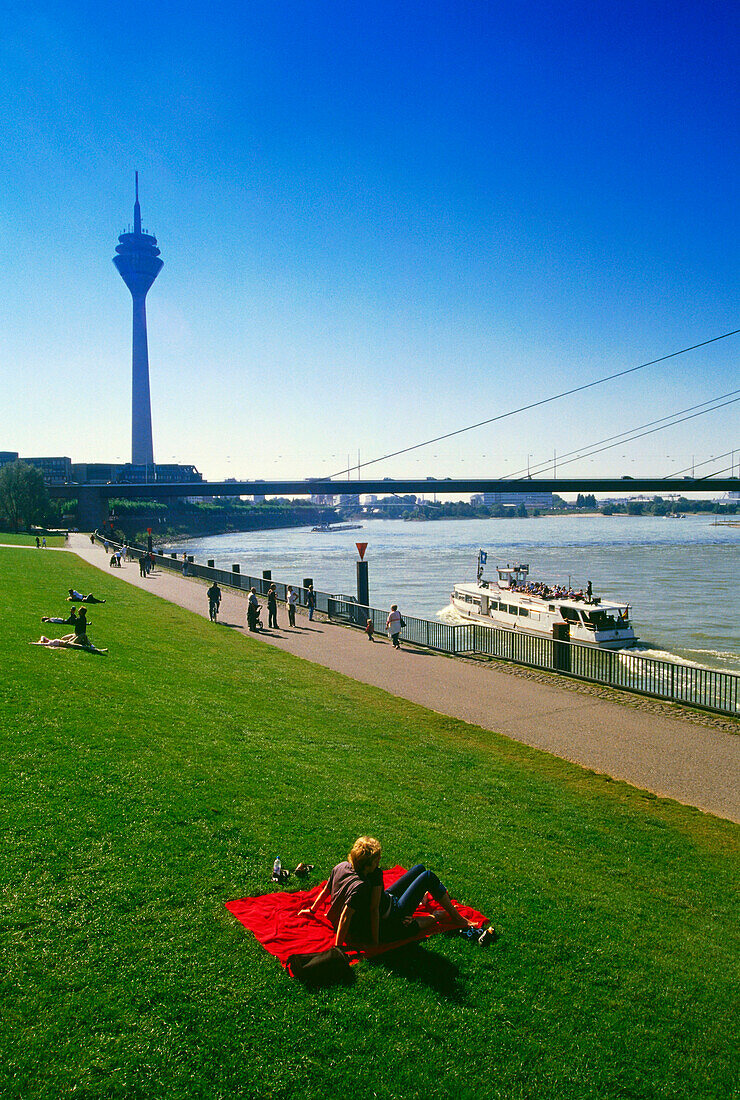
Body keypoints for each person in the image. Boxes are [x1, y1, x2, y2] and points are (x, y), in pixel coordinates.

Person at [299, 836, 478, 948]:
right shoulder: (361, 887)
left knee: (419, 868)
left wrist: (313, 909)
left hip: (387, 899)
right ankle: (457, 918)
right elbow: (367, 912)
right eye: (377, 860)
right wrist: (374, 942)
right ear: (368, 864)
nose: (380, 862)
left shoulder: (343, 867)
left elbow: (326, 889)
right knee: (428, 876)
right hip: (394, 912)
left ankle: (423, 896)